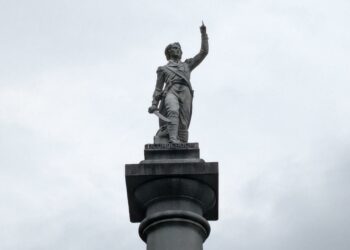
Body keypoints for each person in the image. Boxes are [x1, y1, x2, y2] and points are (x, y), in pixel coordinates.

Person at [148, 23, 209, 143]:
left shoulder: (187, 65)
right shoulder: (163, 69)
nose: (177, 50)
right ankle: (172, 139)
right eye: (174, 48)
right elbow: (158, 89)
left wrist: (203, 34)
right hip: (171, 91)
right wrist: (154, 103)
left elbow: (204, 52)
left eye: (178, 48)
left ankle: (180, 141)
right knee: (173, 111)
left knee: (184, 122)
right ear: (169, 52)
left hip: (186, 92)